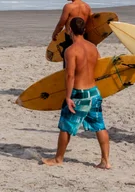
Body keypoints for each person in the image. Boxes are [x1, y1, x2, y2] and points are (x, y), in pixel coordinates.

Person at [42, 17, 110, 169]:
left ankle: (58, 158)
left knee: (66, 125)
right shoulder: (93, 47)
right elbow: (99, 66)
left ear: (70, 30)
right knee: (100, 126)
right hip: (94, 92)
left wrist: (67, 96)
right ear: (84, 30)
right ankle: (105, 161)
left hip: (79, 94)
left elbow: (70, 75)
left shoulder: (71, 50)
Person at [52, 0, 93, 68]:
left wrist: (55, 34)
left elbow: (61, 24)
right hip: (83, 38)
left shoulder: (68, 7)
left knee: (68, 66)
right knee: (81, 65)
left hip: (71, 39)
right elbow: (91, 24)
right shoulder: (87, 7)